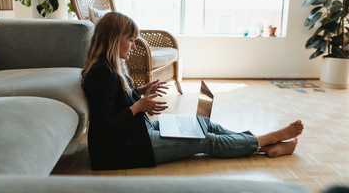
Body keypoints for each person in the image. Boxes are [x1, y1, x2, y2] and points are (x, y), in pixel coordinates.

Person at [81, 11, 304, 171]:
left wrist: (139, 91)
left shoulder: (110, 68)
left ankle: (260, 145)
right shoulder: (103, 73)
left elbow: (115, 102)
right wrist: (139, 106)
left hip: (135, 134)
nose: (134, 46)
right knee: (204, 140)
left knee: (205, 126)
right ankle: (269, 139)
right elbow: (104, 127)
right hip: (125, 149)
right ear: (113, 39)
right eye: (130, 40)